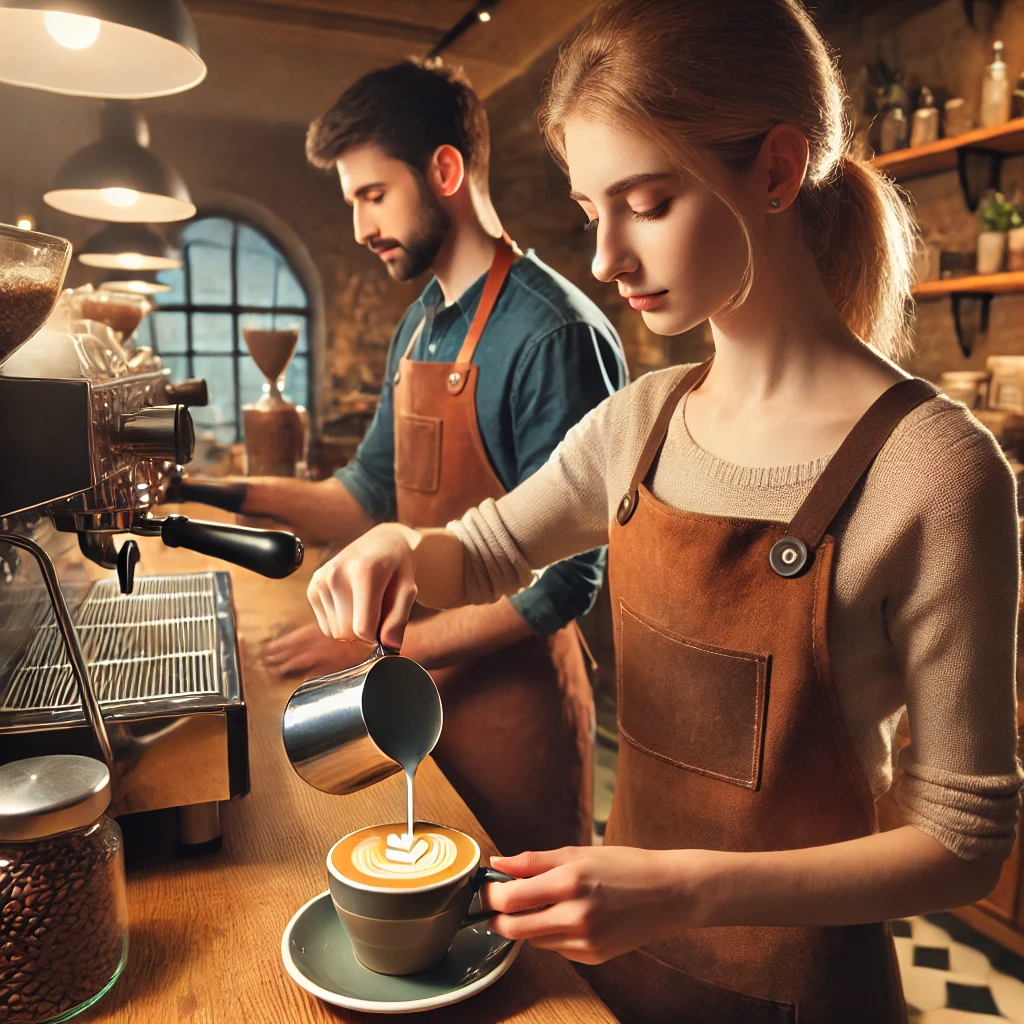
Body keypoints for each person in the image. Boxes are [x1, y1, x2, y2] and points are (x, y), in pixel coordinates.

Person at [302, 3, 1023, 1022]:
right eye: (591, 208)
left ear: (776, 171)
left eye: (643, 201)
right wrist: (400, 546)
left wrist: (684, 888)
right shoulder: (639, 421)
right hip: (621, 965)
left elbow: (961, 842)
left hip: (803, 993)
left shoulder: (934, 469)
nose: (602, 257)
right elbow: (488, 548)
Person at [175, 58, 626, 858]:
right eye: (351, 203)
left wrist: (385, 650)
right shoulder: (420, 323)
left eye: (372, 196)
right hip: (417, 690)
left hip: (512, 708)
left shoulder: (557, 334)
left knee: (535, 957)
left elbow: (566, 582)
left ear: (444, 170)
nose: (358, 228)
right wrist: (214, 492)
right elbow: (368, 491)